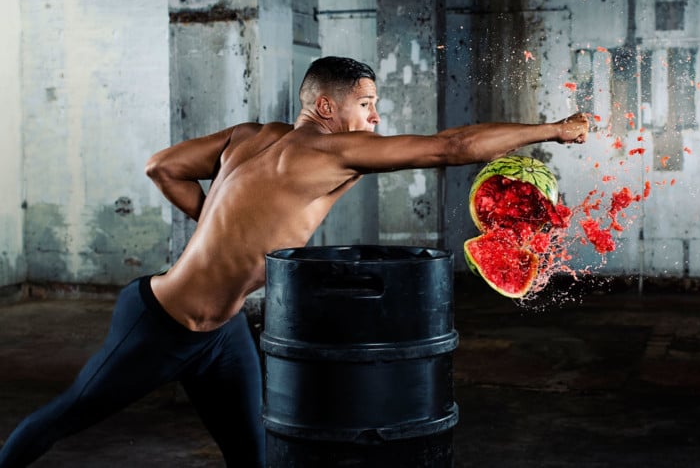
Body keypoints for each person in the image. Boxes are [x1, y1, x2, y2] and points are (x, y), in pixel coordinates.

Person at [0, 56, 589, 467]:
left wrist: (216, 225)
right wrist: (556, 131)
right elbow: (451, 147)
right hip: (161, 324)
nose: (375, 119)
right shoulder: (332, 151)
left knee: (255, 456)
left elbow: (163, 166)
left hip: (223, 331)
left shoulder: (249, 136)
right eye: (366, 104)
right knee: (66, 416)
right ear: (327, 106)